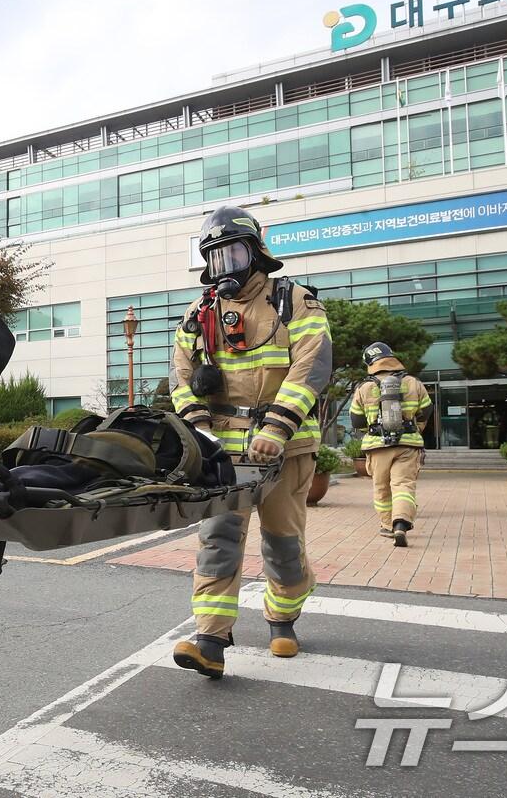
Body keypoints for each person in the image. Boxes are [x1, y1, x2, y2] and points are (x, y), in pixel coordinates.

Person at [168, 206, 332, 679]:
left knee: (284, 545)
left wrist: (277, 427)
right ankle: (211, 639)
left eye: (233, 253)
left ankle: (284, 618)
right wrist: (199, 430)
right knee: (217, 539)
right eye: (214, 258)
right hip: (224, 453)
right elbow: (180, 375)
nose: (225, 267)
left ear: (257, 253)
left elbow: (312, 366)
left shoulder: (295, 302)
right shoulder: (200, 314)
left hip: (288, 449)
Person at [349, 342, 431, 548]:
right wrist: (415, 428)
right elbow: (426, 412)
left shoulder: (365, 387)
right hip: (407, 444)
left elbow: (357, 421)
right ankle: (401, 523)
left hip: (377, 446)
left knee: (382, 489)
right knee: (403, 485)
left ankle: (387, 525)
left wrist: (371, 431)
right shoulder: (414, 383)